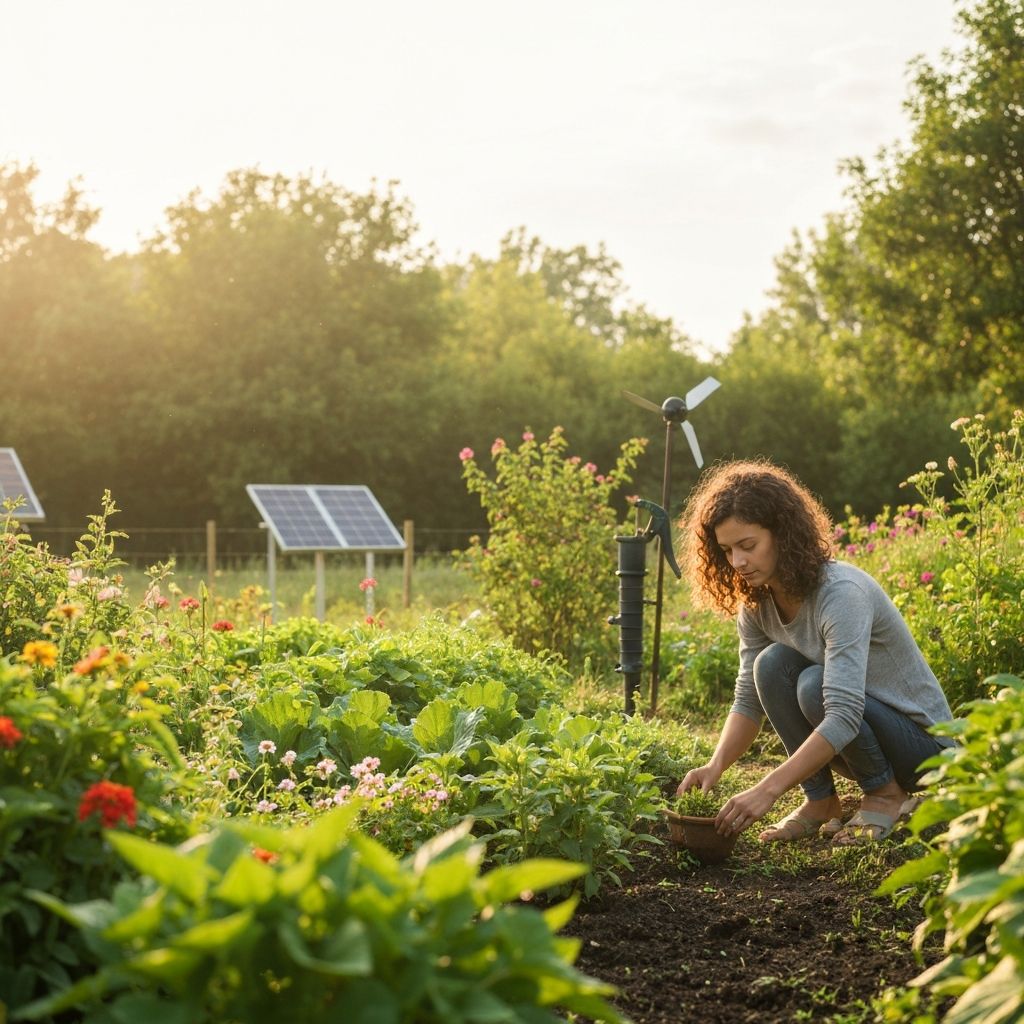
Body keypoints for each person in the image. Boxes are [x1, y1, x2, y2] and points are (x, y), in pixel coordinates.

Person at [674, 459, 955, 846]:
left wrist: (768, 789)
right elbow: (748, 698)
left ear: (782, 534)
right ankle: (820, 801)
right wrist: (715, 766)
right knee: (769, 665)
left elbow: (844, 714)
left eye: (748, 546)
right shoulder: (756, 602)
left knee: (812, 685)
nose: (737, 562)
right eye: (727, 550)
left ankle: (886, 795)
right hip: (864, 738)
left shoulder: (841, 594)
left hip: (925, 751)